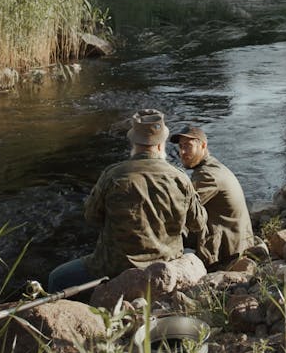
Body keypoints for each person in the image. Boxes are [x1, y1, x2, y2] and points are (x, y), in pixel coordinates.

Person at [47, 110, 207, 292]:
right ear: (161, 145)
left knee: (56, 278)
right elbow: (198, 223)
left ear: (134, 143)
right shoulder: (181, 178)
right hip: (164, 265)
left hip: (114, 267)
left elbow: (91, 217)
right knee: (190, 254)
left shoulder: (113, 175)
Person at [170, 124, 254, 271]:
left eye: (188, 146)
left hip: (229, 253)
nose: (182, 152)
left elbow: (181, 211)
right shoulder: (212, 166)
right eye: (181, 146)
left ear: (203, 145)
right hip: (240, 241)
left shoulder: (207, 175)